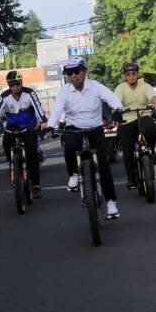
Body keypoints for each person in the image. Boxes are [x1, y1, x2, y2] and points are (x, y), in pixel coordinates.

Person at [46, 57, 123, 219]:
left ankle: (111, 202)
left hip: (95, 128)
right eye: (69, 73)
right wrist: (50, 125)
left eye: (76, 71)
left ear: (84, 72)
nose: (73, 76)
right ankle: (73, 174)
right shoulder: (64, 91)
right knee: (68, 147)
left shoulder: (95, 86)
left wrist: (118, 110)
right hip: (74, 128)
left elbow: (111, 97)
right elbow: (57, 109)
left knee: (104, 165)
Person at [0, 71, 48, 199]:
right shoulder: (4, 96)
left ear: (21, 83)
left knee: (32, 155)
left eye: (17, 84)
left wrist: (44, 121)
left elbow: (38, 107)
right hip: (12, 127)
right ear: (9, 85)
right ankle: (11, 163)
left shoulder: (29, 93)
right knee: (5, 141)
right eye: (12, 85)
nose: (15, 87)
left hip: (29, 127)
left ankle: (36, 186)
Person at [114, 61, 156, 190]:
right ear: (125, 76)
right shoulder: (121, 88)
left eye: (133, 73)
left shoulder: (145, 86)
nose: (131, 76)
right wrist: (116, 111)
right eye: (128, 74)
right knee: (127, 148)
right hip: (127, 120)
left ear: (137, 74)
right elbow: (116, 102)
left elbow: (153, 98)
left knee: (152, 128)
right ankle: (131, 177)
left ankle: (151, 150)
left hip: (143, 116)